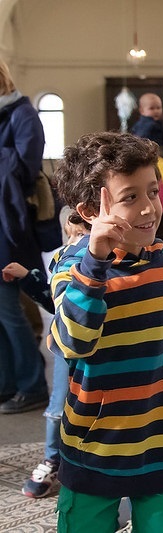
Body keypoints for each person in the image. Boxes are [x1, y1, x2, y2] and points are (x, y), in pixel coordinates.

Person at [48, 132, 163, 531]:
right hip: (96, 441)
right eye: (130, 197)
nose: (149, 208)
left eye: (152, 192)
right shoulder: (71, 268)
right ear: (89, 211)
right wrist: (96, 263)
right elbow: (71, 342)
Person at [3, 218, 86, 498]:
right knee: (58, 409)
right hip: (65, 349)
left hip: (103, 351)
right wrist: (27, 276)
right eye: (71, 235)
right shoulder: (64, 260)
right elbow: (50, 298)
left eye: (82, 234)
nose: (76, 241)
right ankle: (53, 460)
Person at [0, 59, 49, 415]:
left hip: (9, 224)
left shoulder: (23, 114)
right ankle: (7, 383)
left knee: (8, 309)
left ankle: (32, 384)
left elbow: (26, 168)